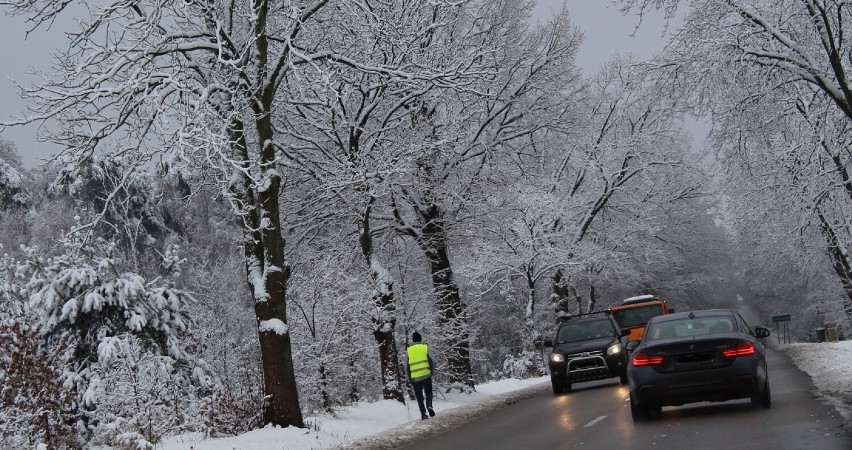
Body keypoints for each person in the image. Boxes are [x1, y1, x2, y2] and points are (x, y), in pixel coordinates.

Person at [405, 331, 435, 420]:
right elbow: (433, 360)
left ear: (413, 340)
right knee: (428, 392)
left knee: (419, 396)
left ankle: (423, 414)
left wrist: (408, 378)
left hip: (415, 377)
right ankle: (429, 405)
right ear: (420, 339)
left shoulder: (409, 350)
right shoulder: (425, 347)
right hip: (426, 374)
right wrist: (431, 371)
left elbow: (406, 366)